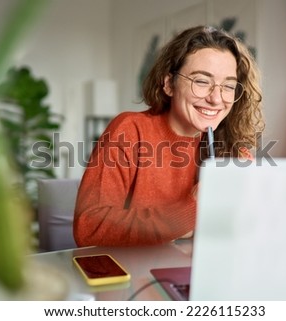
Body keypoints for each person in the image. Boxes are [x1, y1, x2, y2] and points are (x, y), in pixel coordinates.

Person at [73, 25, 264, 247]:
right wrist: (190, 211)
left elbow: (247, 230)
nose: (216, 98)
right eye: (201, 81)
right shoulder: (130, 130)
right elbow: (89, 227)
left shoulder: (233, 149)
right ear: (169, 84)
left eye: (228, 86)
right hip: (132, 274)